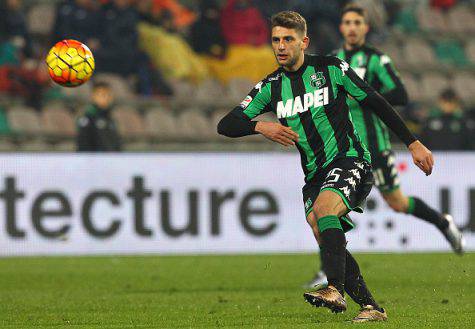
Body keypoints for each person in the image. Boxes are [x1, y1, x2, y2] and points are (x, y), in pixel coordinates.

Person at [218, 11, 434, 323]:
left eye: (288, 39)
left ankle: (334, 289)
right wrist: (260, 127)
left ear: (303, 42)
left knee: (324, 211)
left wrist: (413, 143)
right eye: (276, 40)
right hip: (315, 174)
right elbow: (226, 124)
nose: (281, 46)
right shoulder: (271, 86)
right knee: (322, 229)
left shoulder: (331, 69)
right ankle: (372, 308)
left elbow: (375, 101)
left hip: (350, 160)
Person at [304, 4, 464, 289]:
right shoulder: (331, 62)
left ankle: (442, 222)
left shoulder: (376, 59)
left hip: (375, 149)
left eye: (357, 22)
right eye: (347, 22)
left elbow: (400, 95)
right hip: (340, 150)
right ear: (341, 28)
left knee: (398, 203)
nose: (352, 27)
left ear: (366, 28)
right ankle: (328, 268)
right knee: (327, 206)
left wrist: (363, 92)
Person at [76, 81, 121, 152]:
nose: (106, 98)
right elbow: (83, 146)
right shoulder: (88, 118)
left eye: (109, 95)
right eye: (102, 95)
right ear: (93, 96)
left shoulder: (110, 118)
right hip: (94, 160)